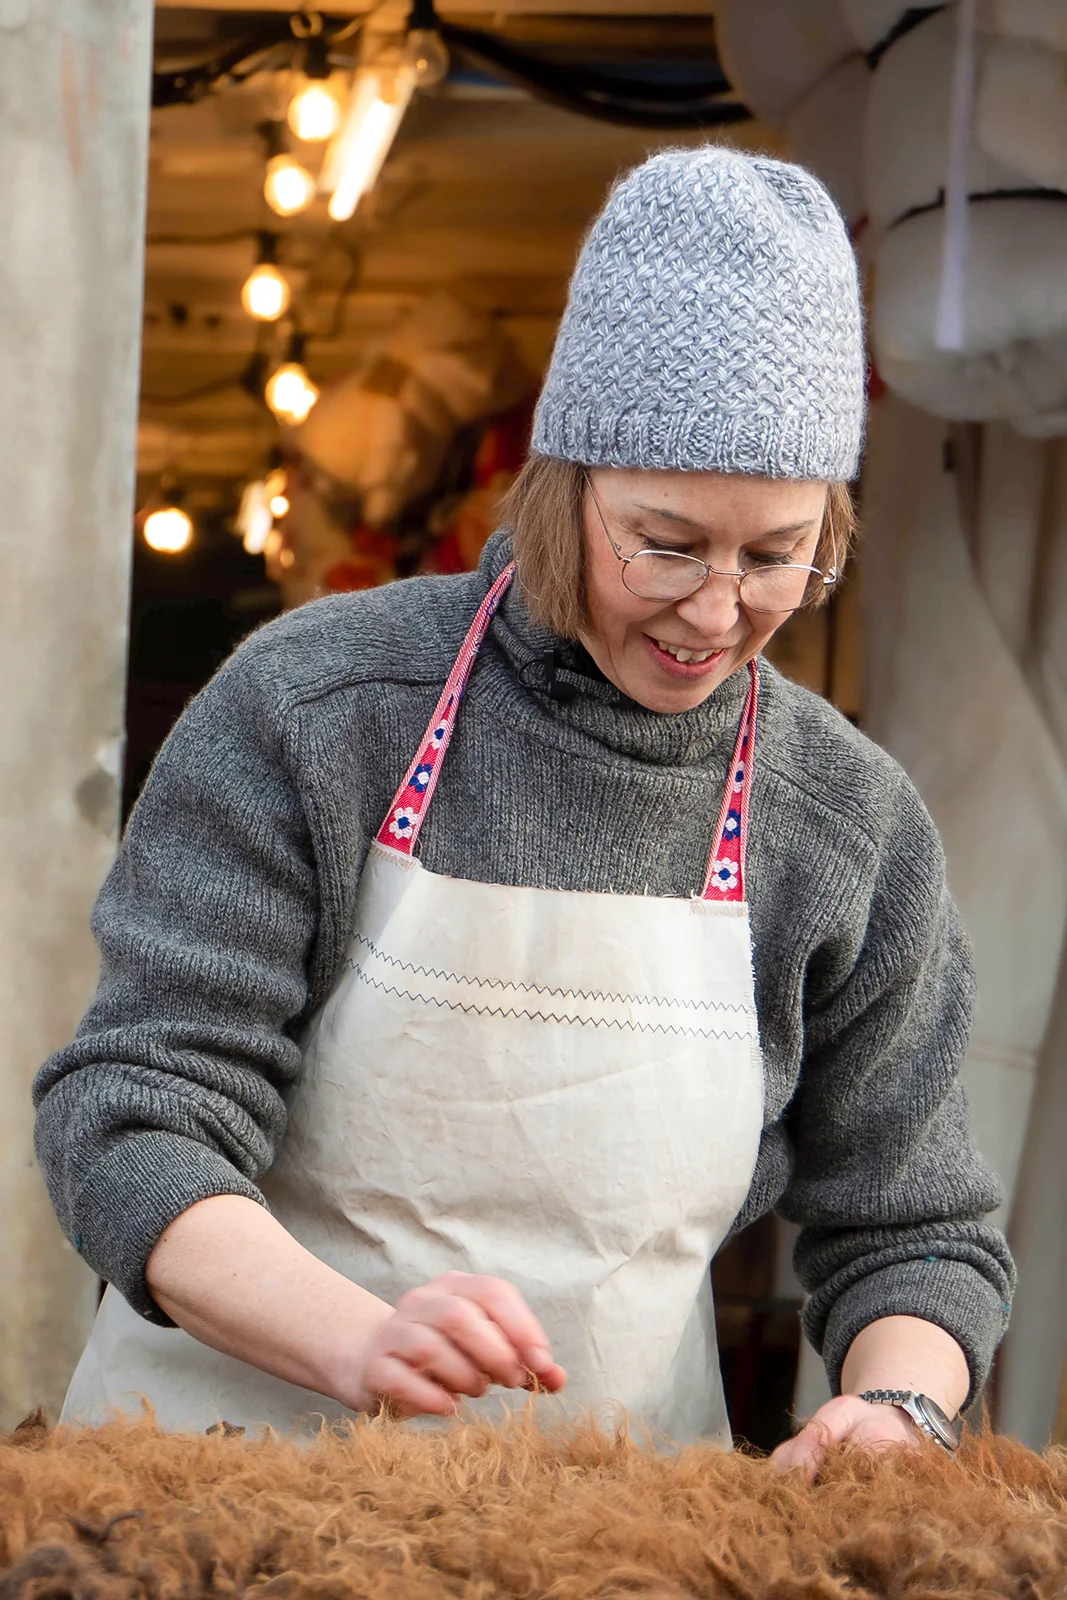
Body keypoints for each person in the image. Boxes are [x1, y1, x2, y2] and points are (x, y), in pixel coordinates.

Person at [35, 147, 1014, 1469]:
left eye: (778, 556)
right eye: (665, 543)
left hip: (608, 1524)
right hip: (216, 1481)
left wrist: (901, 1407)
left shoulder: (844, 824)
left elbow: (913, 1225)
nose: (716, 611)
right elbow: (134, 1112)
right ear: (564, 488)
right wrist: (354, 1341)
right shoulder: (319, 708)